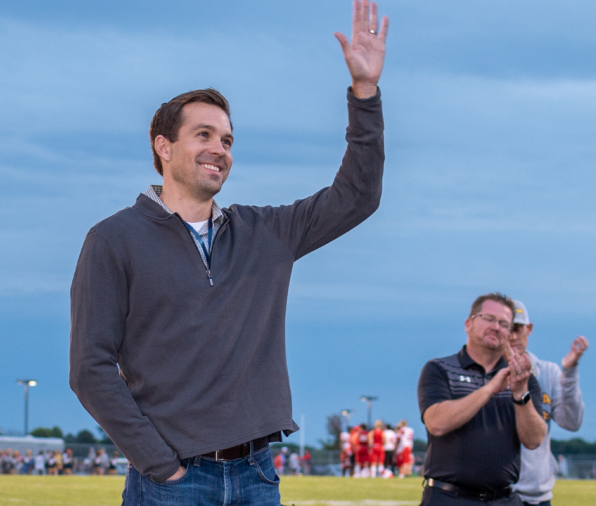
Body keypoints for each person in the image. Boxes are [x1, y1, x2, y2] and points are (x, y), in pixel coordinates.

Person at [68, 2, 388, 503]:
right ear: (163, 147)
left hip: (257, 477)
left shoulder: (266, 232)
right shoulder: (112, 240)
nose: (220, 148)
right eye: (204, 135)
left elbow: (358, 197)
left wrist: (364, 93)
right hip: (171, 482)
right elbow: (90, 366)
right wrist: (160, 466)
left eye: (228, 139)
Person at [418, 293, 548, 505]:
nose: (496, 327)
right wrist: (489, 389)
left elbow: (534, 440)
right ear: (468, 324)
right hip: (449, 497)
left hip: (503, 498)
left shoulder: (522, 378)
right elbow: (437, 423)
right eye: (488, 319)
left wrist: (520, 395)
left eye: (504, 324)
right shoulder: (439, 369)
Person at [508, 300, 588, 506]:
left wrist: (569, 372)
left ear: (530, 329)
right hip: (497, 494)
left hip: (538, 497)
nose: (513, 336)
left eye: (518, 329)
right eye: (507, 328)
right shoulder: (486, 373)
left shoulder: (547, 372)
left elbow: (571, 422)